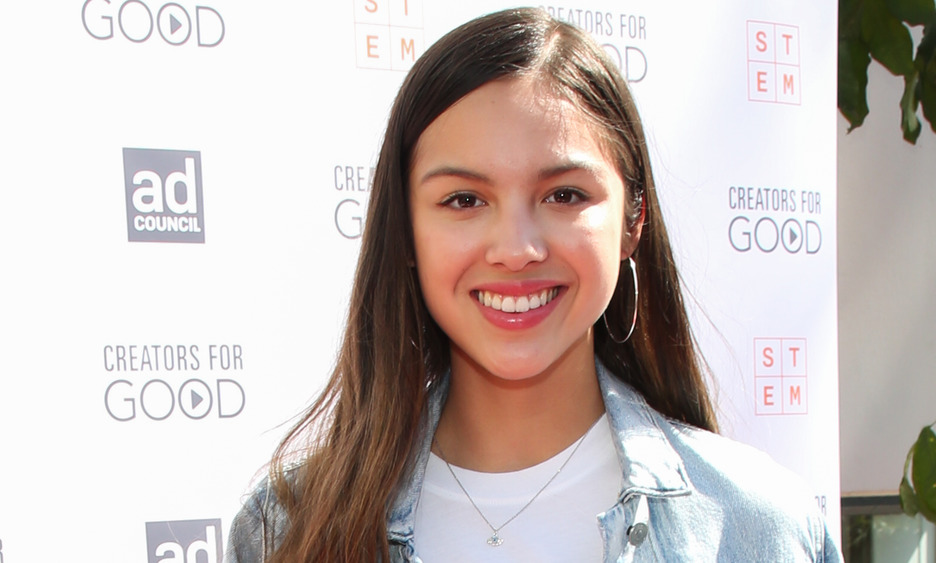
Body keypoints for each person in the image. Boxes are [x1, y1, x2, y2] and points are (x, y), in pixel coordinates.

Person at [226, 7, 841, 562]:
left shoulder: (760, 527)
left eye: (564, 195)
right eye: (464, 199)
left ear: (633, 223)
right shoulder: (288, 529)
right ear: (405, 232)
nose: (517, 249)